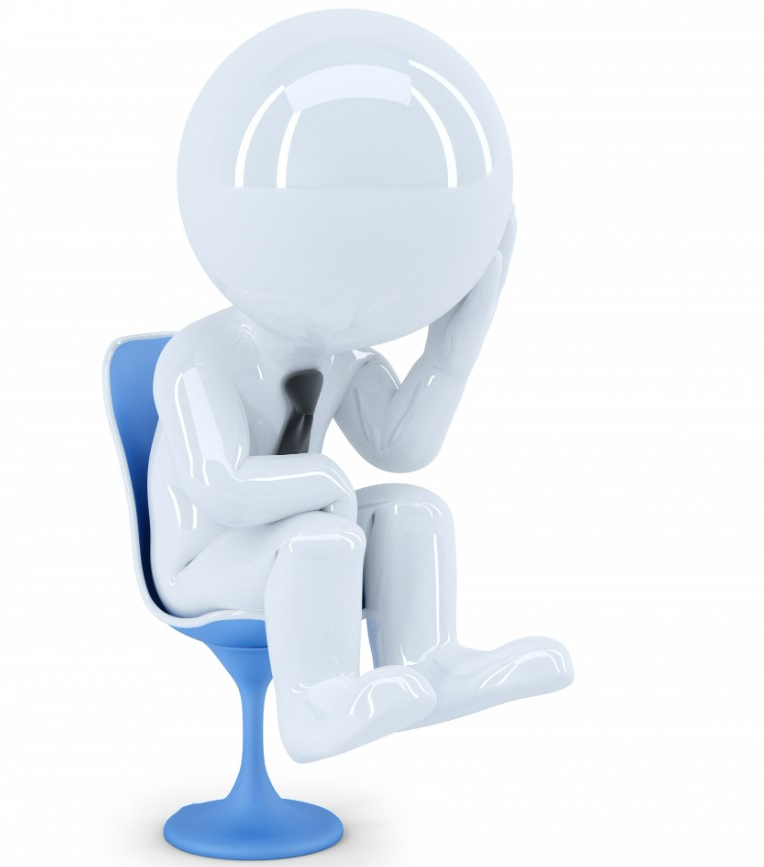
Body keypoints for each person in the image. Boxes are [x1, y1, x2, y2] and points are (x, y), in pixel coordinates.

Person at [148, 9, 573, 763]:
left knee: (413, 511)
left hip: (301, 534)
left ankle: (431, 663)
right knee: (324, 538)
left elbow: (401, 447)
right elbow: (222, 487)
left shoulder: (341, 349)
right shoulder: (197, 356)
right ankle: (314, 703)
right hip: (206, 558)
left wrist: (453, 348)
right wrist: (325, 479)